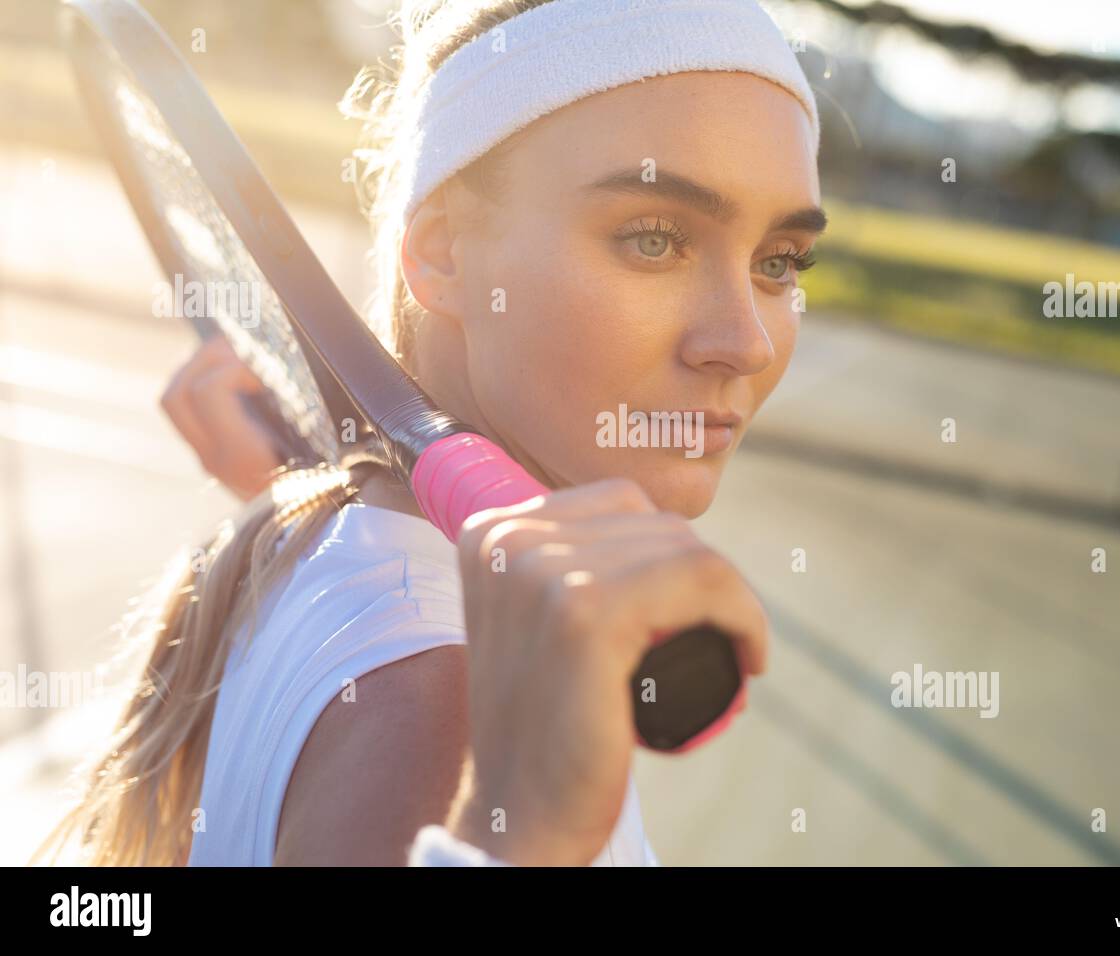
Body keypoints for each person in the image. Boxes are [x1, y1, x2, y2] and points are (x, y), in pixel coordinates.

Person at [37, 0, 823, 867]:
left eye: (779, 262)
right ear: (443, 253)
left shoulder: (334, 548)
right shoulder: (440, 719)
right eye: (654, 240)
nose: (745, 341)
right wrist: (522, 830)